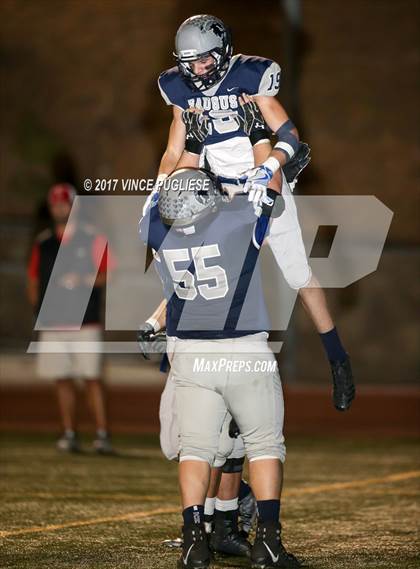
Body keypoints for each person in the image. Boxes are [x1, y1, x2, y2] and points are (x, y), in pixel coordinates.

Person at [153, 14, 355, 411]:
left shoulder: (250, 75)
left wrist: (268, 171)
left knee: (297, 272)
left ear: (223, 51)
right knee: (196, 267)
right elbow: (175, 152)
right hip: (213, 189)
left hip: (263, 175)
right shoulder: (178, 89)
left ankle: (337, 357)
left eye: (204, 61)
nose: (196, 71)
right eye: (189, 62)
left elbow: (290, 136)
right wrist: (163, 186)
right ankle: (171, 340)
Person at [139, 168, 303, 569]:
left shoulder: (155, 231)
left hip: (193, 356)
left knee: (195, 450)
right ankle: (267, 544)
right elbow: (273, 186)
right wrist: (273, 154)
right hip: (244, 350)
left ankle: (194, 544)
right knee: (264, 446)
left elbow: (160, 190)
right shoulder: (236, 220)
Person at [27, 183, 113, 454]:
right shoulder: (44, 242)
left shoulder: (92, 238)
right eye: (55, 204)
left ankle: (101, 434)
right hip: (54, 322)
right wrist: (39, 308)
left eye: (64, 203)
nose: (59, 208)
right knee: (61, 378)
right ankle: (69, 432)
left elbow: (107, 273)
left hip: (84, 322)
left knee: (91, 378)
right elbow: (33, 279)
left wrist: (85, 281)